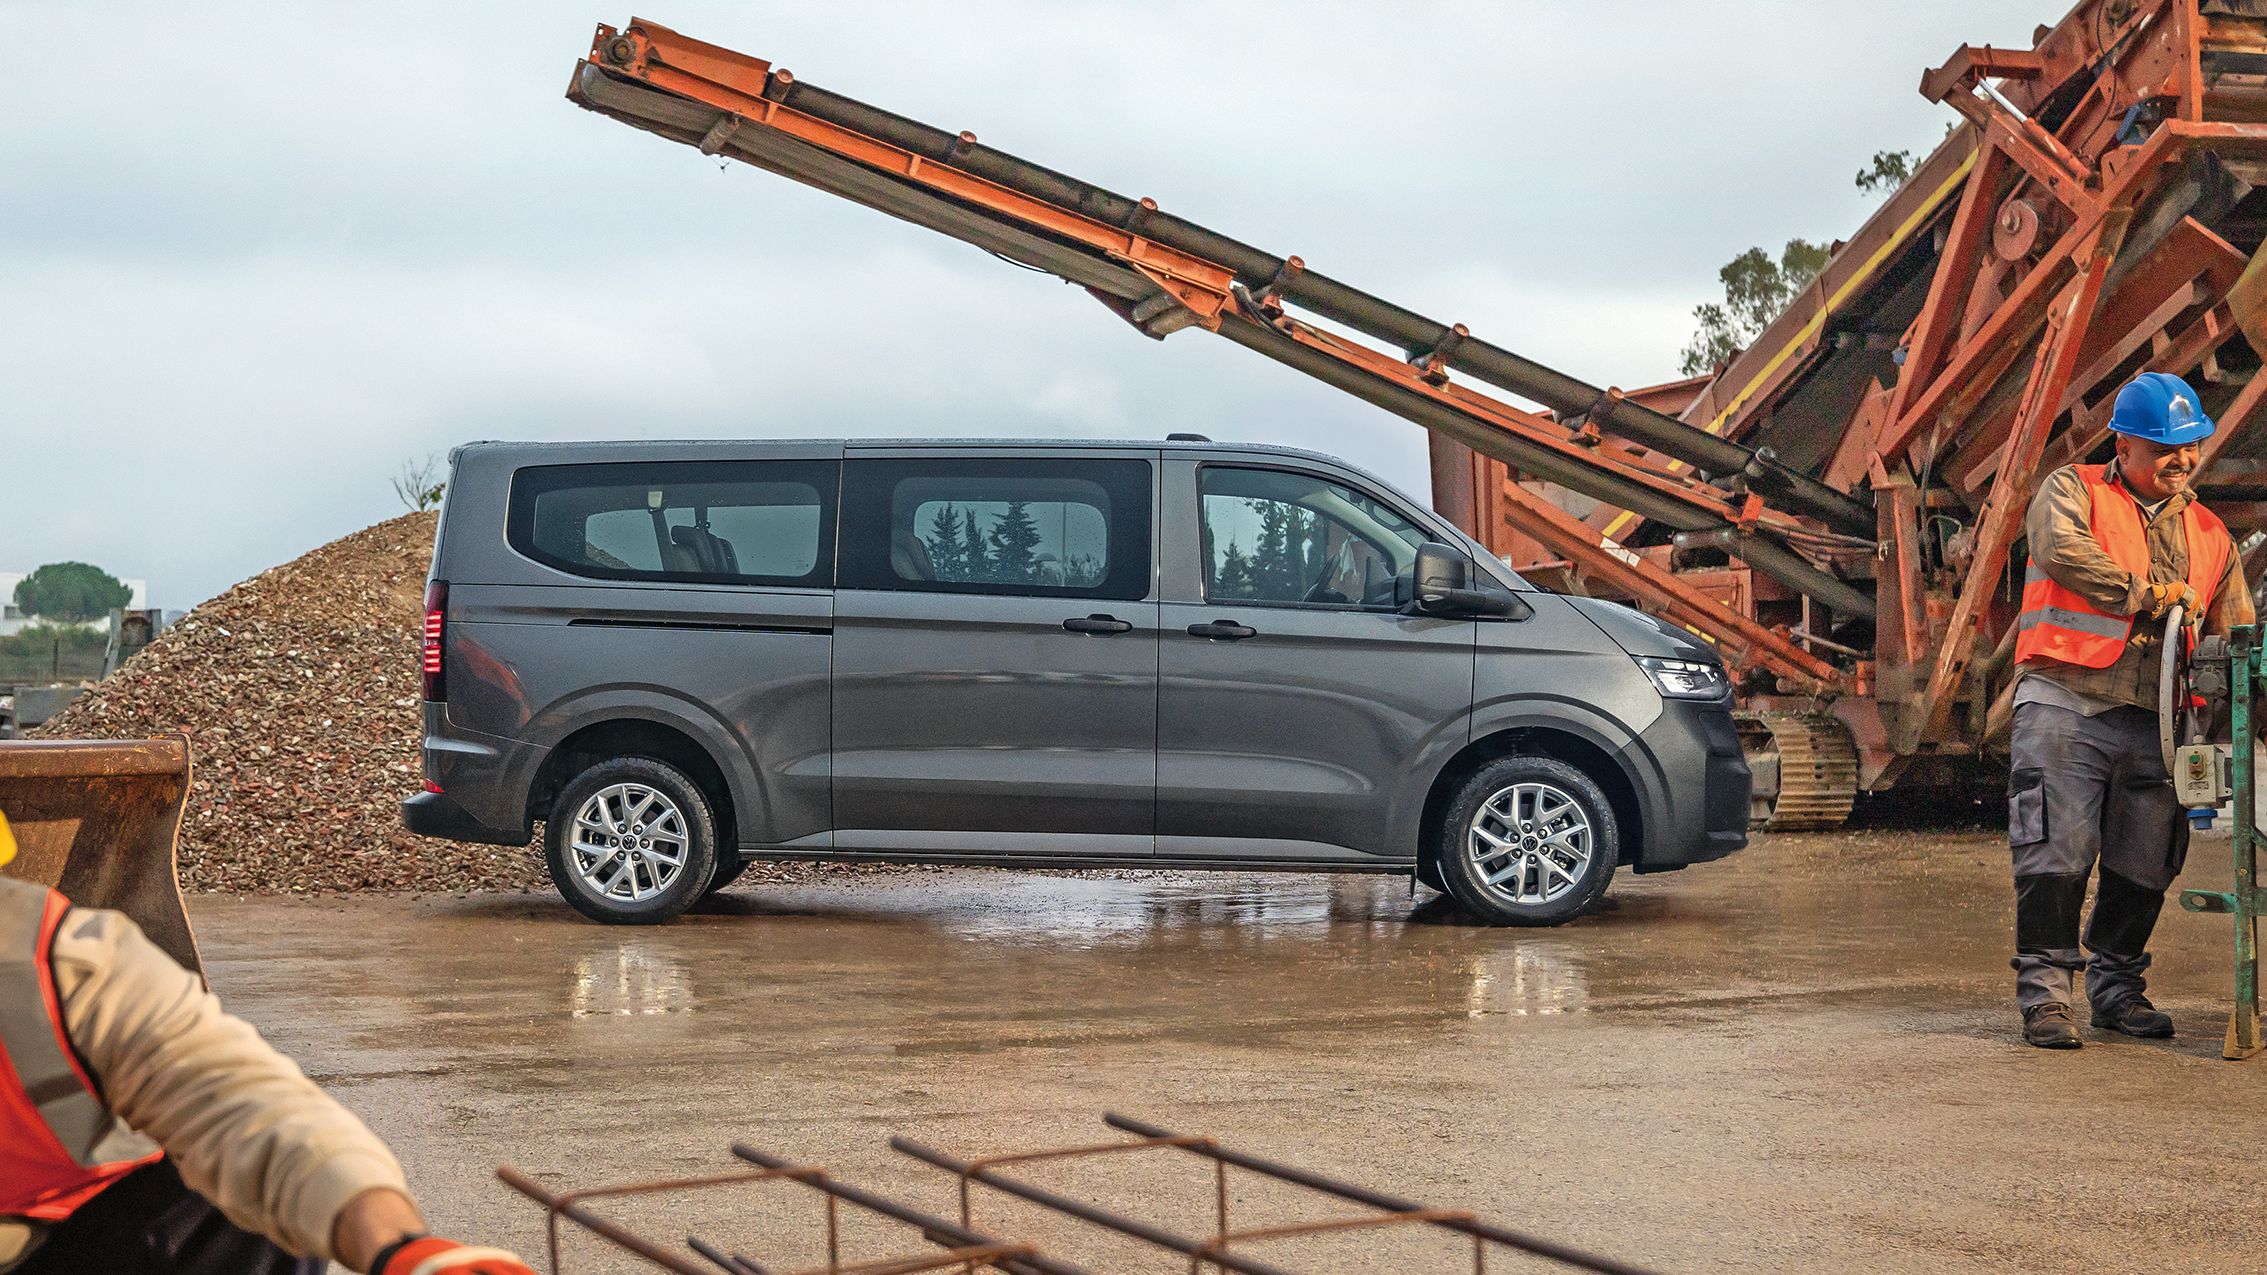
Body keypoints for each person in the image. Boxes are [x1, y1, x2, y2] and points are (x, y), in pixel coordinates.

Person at [0, 806, 535, 1274]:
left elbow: (242, 1107)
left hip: (44, 1243)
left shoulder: (54, 962)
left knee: (235, 1216)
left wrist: (397, 1247)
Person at [2007, 371, 2253, 1049]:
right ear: (2123, 445)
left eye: (2189, 445)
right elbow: (2060, 551)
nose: (2181, 458)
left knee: (2145, 863)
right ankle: (2045, 997)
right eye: (2164, 447)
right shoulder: (2073, 491)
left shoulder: (2210, 534)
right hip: (2067, 703)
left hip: (2158, 723)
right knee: (2054, 852)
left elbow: (2236, 635)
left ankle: (2115, 990)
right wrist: (2144, 594)